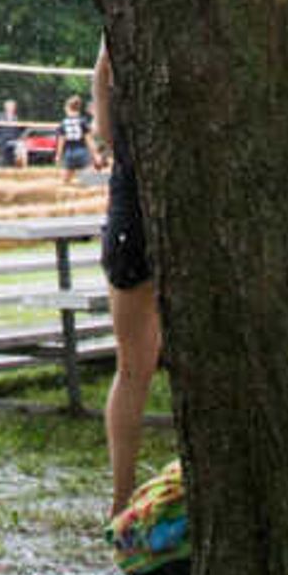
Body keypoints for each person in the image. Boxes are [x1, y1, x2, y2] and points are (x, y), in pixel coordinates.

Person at [88, 39, 165, 519]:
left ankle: (122, 500)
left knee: (133, 367)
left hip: (133, 182)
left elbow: (102, 68)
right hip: (137, 187)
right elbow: (103, 67)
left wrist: (111, 134)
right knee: (135, 365)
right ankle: (120, 500)